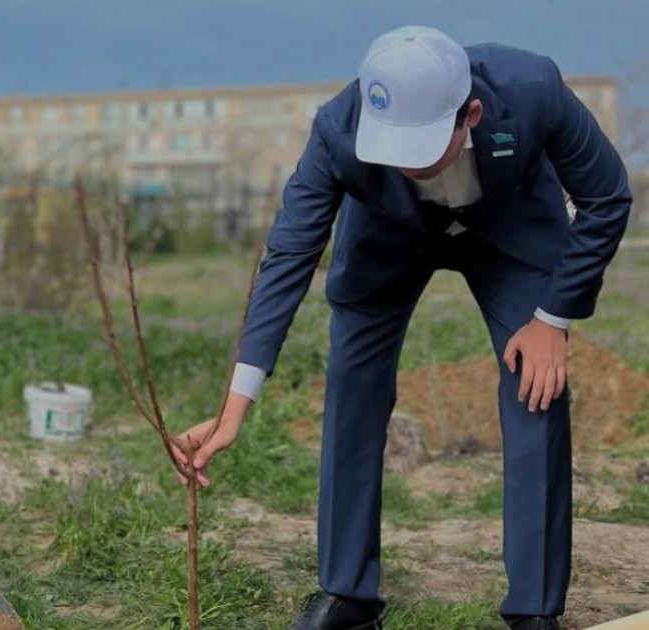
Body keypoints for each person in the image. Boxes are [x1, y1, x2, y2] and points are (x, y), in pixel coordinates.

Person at [171, 26, 632, 630]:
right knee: (353, 387)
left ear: (470, 114)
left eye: (421, 150)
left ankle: (535, 609)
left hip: (511, 233)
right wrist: (236, 401)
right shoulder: (338, 128)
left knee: (536, 389)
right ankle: (348, 595)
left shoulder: (532, 89)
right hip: (385, 239)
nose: (407, 166)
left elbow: (607, 197)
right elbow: (289, 254)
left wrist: (553, 318)